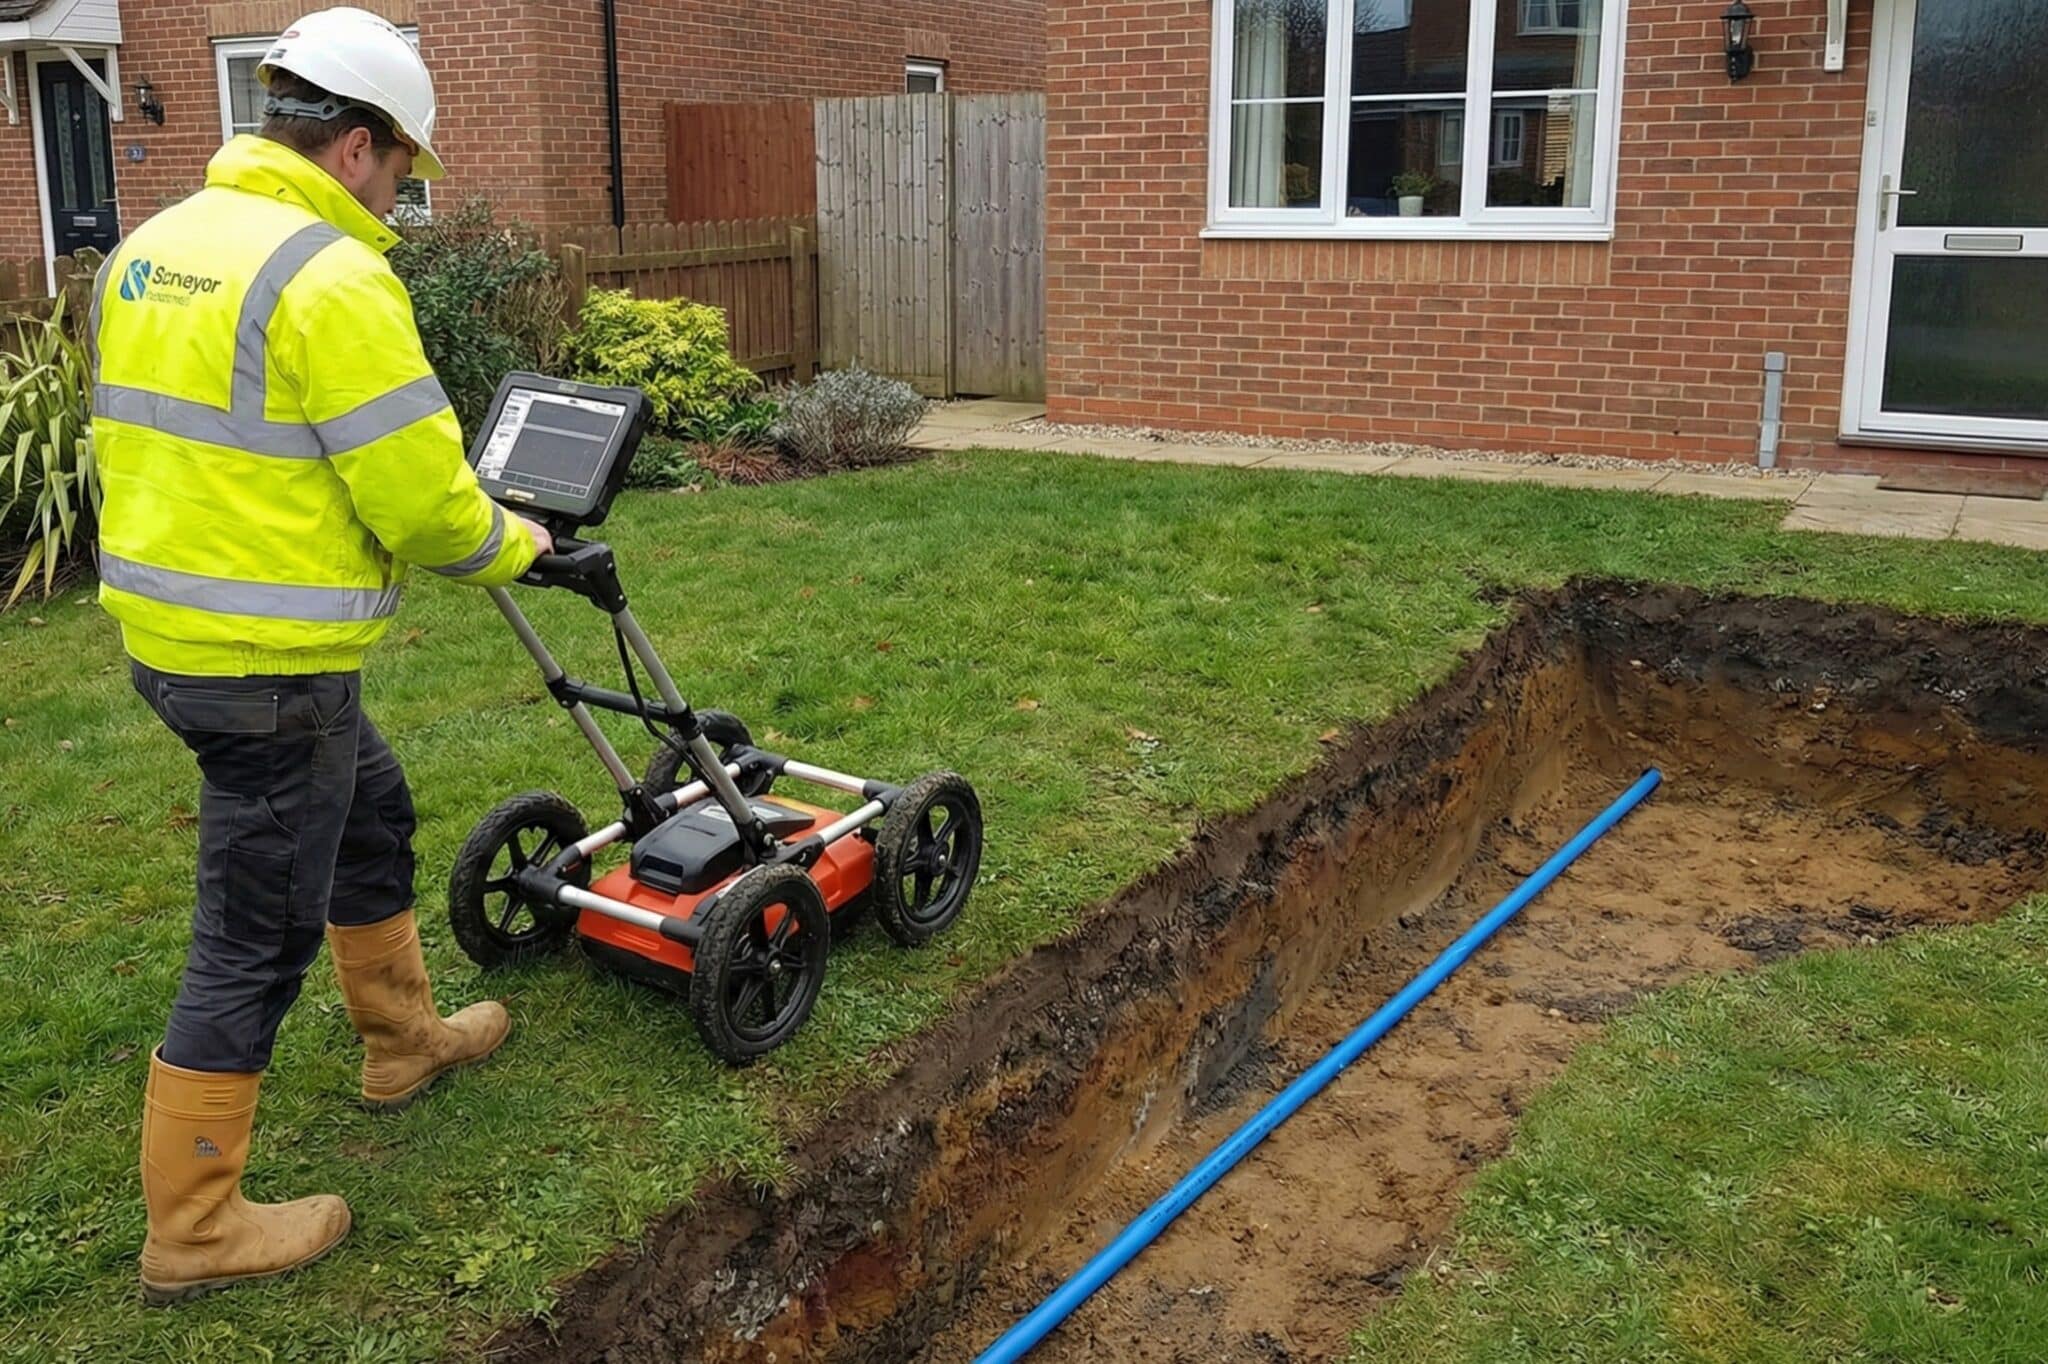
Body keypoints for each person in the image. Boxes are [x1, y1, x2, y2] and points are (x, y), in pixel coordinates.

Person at [89, 6, 552, 1305]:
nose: (403, 195)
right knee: (251, 934)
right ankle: (194, 1229)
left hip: (173, 643)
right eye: (404, 167)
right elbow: (423, 505)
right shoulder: (332, 278)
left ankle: (402, 1042)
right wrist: (527, 548)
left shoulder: (153, 246)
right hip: (266, 671)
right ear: (355, 148)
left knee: (374, 813)